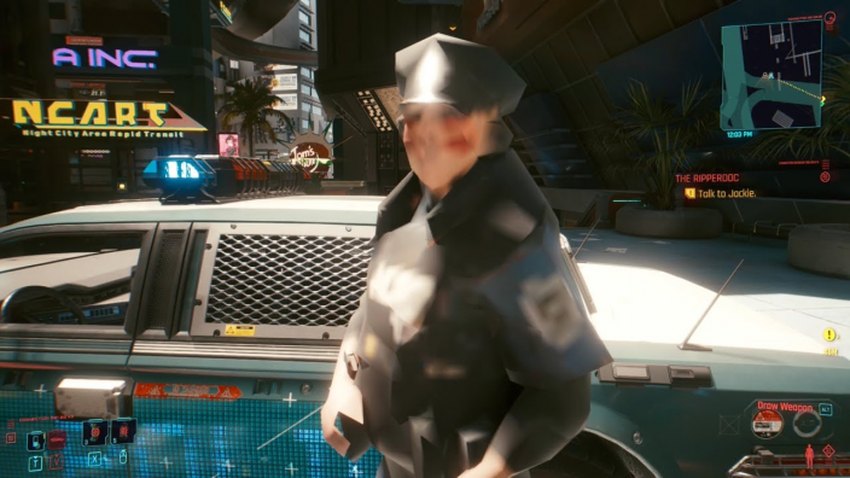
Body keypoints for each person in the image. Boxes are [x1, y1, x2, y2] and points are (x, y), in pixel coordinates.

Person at [321, 33, 612, 478]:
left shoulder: (514, 239)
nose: (423, 136)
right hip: (395, 464)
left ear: (486, 131)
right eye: (412, 118)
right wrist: (343, 382)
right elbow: (370, 306)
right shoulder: (399, 214)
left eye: (446, 119)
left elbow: (564, 394)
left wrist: (491, 469)